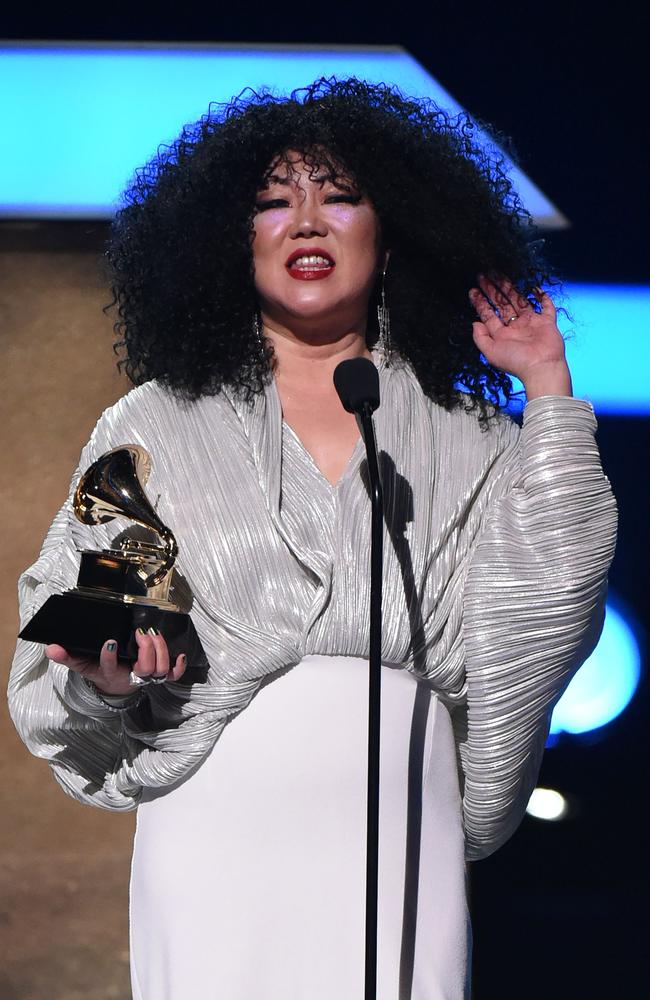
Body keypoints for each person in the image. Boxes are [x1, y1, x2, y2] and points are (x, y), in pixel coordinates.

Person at [8, 78, 617, 1000]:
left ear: (393, 225)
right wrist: (110, 674)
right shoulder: (154, 427)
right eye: (270, 201)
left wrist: (548, 388)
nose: (305, 223)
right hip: (216, 826)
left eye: (337, 196)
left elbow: (552, 597)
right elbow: (94, 606)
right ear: (228, 233)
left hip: (404, 819)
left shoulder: (470, 434)